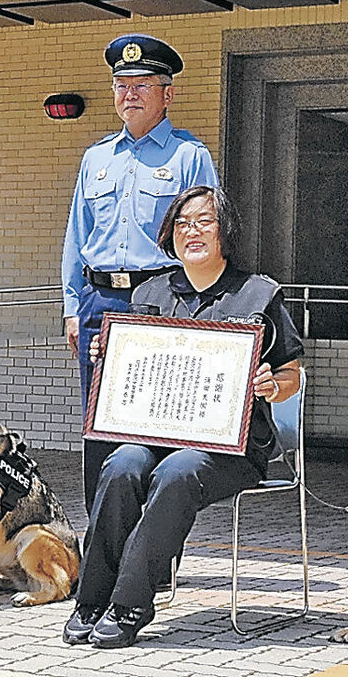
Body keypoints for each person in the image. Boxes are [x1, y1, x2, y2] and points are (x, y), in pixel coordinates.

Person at [62, 186, 304, 649]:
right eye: (182, 223)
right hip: (158, 433)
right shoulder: (150, 292)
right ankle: (91, 600)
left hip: (230, 447)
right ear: (170, 234)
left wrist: (274, 385)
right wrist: (108, 353)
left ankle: (130, 603)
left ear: (225, 230)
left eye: (204, 221)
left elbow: (292, 374)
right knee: (121, 464)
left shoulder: (258, 293)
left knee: (177, 472)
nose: (192, 231)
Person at [61, 33, 219, 515]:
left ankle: (154, 553)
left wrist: (202, 310)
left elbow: (207, 237)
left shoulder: (190, 157)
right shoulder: (96, 158)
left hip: (161, 302)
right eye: (121, 84)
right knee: (99, 425)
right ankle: (101, 551)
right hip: (99, 302)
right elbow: (75, 238)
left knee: (158, 423)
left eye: (142, 84)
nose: (129, 94)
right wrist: (72, 308)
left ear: (167, 94)